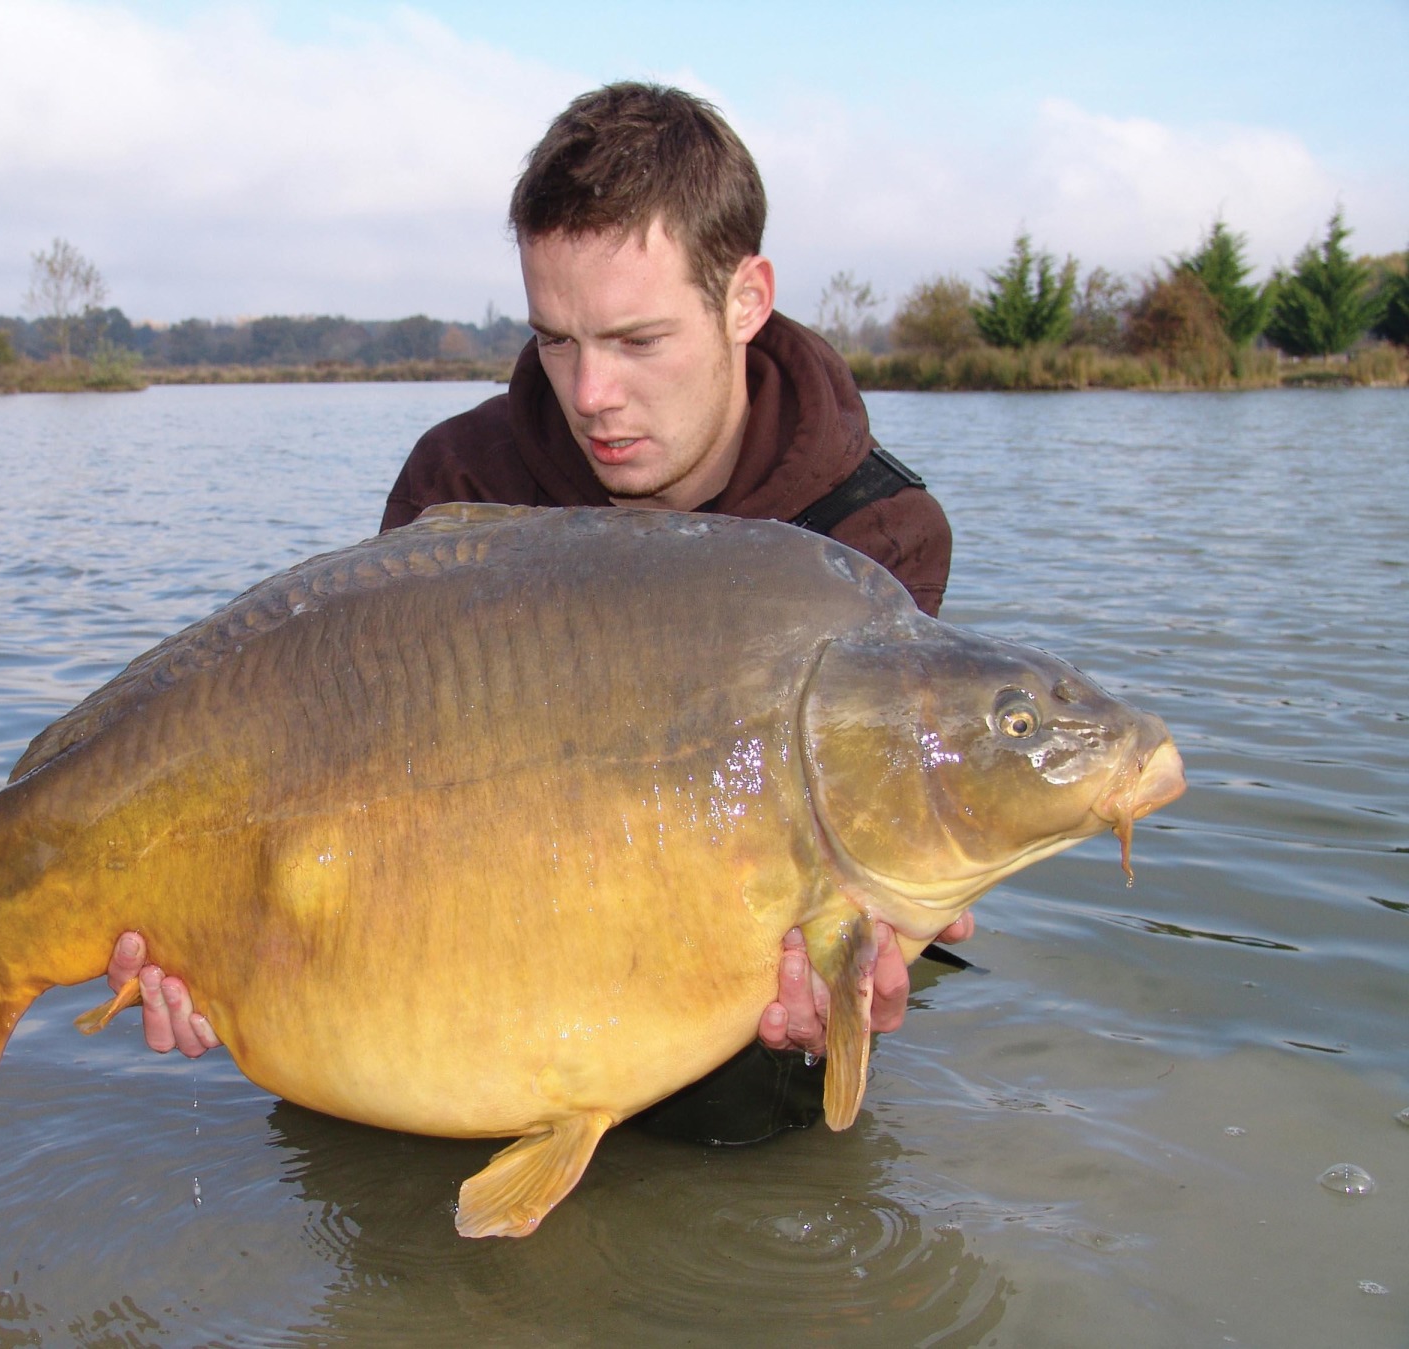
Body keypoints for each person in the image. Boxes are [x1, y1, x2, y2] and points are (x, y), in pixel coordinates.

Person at [104, 82, 970, 1141]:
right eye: (556, 339)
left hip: (708, 978)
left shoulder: (874, 528)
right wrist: (224, 939)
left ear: (747, 298)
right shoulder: (462, 475)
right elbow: (356, 779)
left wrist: (879, 949)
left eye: (636, 340)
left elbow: (866, 832)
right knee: (339, 1091)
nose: (590, 390)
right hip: (465, 935)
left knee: (749, 1113)